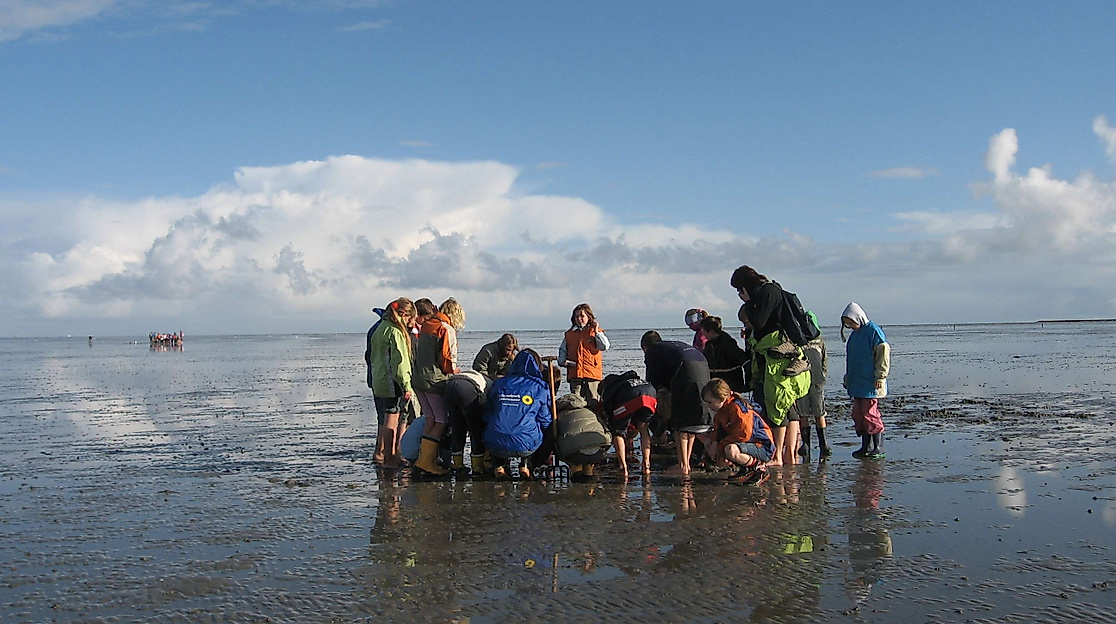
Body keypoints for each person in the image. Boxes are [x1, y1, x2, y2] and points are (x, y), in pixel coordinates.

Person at [641, 331, 712, 476]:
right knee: (692, 421)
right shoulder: (669, 347)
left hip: (684, 368)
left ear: (645, 347)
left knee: (679, 422)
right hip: (703, 364)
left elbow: (652, 383)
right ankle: (689, 462)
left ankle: (682, 465)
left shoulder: (652, 351)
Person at [412, 298, 467, 476]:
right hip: (433, 381)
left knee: (430, 418)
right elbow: (447, 358)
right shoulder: (445, 328)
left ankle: (423, 459)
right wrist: (454, 370)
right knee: (442, 420)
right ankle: (426, 462)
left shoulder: (428, 325)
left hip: (418, 379)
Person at [482, 349, 553, 479]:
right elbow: (545, 420)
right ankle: (526, 465)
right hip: (526, 442)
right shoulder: (540, 386)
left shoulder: (500, 383)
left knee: (498, 424)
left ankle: (499, 465)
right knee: (543, 428)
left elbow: (488, 414)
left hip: (495, 441)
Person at [369, 297, 417, 468]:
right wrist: (407, 385)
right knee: (392, 417)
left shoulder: (380, 328)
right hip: (391, 381)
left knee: (385, 417)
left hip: (378, 379)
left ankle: (389, 455)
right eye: (409, 319)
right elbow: (401, 362)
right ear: (403, 315)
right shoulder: (395, 332)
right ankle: (391, 457)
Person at [700, 379, 774, 485]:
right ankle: (745, 469)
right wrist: (713, 443)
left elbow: (744, 434)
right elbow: (718, 431)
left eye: (710, 402)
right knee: (714, 444)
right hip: (748, 444)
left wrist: (720, 447)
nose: (708, 406)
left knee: (730, 450)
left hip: (762, 446)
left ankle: (758, 468)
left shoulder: (737, 408)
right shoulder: (721, 412)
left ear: (721, 398)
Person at [841, 302, 890, 459]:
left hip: (870, 382)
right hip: (857, 382)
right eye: (846, 324)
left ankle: (878, 446)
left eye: (850, 322)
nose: (849, 326)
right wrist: (848, 379)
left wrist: (880, 376)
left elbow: (883, 355)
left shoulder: (874, 332)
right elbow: (851, 361)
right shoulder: (855, 336)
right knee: (858, 414)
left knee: (870, 413)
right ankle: (865, 445)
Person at [552, 369, 611, 480]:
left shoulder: (558, 414)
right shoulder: (589, 411)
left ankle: (576, 470)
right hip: (598, 449)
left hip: (574, 451)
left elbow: (554, 437)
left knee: (569, 451)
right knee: (588, 457)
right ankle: (588, 473)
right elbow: (605, 428)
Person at [599, 370, 657, 478]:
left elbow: (609, 412)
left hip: (630, 395)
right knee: (644, 429)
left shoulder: (610, 389)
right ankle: (646, 466)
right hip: (650, 393)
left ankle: (623, 468)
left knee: (618, 432)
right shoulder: (626, 381)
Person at [442, 367, 492, 476]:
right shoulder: (491, 386)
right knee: (476, 430)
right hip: (468, 389)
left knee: (457, 428)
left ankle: (457, 465)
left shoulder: (480, 376)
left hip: (450, 386)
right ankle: (477, 468)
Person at [797, 311, 832, 458]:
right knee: (803, 413)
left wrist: (823, 375)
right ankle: (806, 444)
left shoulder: (819, 340)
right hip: (802, 382)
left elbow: (824, 359)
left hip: (817, 382)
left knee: (819, 413)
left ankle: (823, 444)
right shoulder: (798, 339)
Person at [558, 303, 610, 402]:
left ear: (588, 317)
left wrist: (597, 332)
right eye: (577, 316)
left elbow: (605, 346)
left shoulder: (595, 332)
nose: (579, 319)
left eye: (582, 316)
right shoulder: (569, 334)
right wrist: (564, 362)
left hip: (592, 376)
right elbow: (562, 352)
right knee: (576, 403)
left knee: (594, 403)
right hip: (575, 376)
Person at [699, 316, 749, 393]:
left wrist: (748, 383)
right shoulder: (709, 344)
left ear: (711, 331)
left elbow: (743, 359)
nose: (703, 335)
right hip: (716, 383)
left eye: (704, 332)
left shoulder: (727, 343)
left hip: (731, 383)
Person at [365, 306, 387, 463]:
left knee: (382, 417)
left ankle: (380, 450)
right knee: (390, 417)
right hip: (385, 380)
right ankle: (382, 451)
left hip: (375, 378)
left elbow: (368, 356)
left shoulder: (374, 329)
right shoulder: (388, 330)